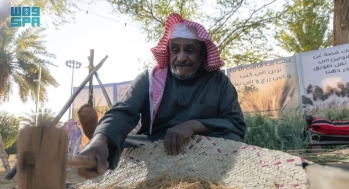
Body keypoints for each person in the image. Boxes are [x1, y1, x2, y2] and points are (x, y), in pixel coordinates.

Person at [77, 13, 246, 179]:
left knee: (231, 139)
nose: (181, 57)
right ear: (168, 52)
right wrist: (100, 139)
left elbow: (236, 125)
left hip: (202, 147)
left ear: (201, 54)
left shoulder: (219, 82)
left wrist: (195, 125)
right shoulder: (150, 79)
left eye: (189, 50)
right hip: (155, 146)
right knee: (119, 144)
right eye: (175, 50)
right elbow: (124, 111)